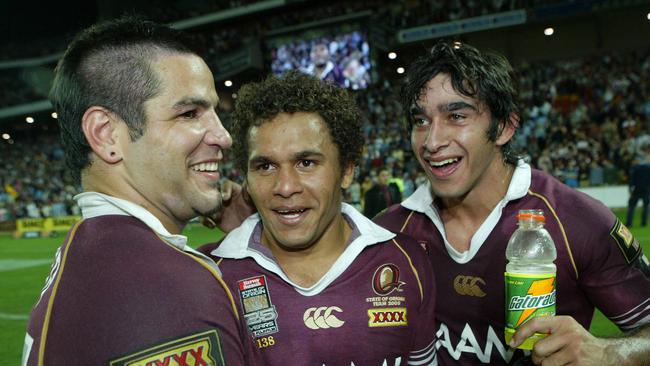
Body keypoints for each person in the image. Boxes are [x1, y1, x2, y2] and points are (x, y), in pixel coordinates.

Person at [374, 41, 650, 365]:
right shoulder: (387, 232)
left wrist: (609, 353)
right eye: (420, 121)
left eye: (457, 115)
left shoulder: (576, 221)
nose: (432, 141)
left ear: (504, 126)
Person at [23, 17, 254, 365]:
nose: (223, 136)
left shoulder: (97, 255)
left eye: (215, 112)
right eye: (190, 113)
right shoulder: (159, 289)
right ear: (106, 134)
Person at [199, 71, 437, 365]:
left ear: (347, 170)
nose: (285, 187)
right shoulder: (210, 278)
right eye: (265, 166)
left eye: (306, 162)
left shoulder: (406, 261)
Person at [626, 145, 650, 227]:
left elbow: (632, 180)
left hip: (636, 189)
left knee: (632, 206)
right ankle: (644, 222)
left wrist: (630, 189)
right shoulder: (648, 168)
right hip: (646, 189)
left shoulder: (635, 169)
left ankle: (629, 223)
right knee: (646, 206)